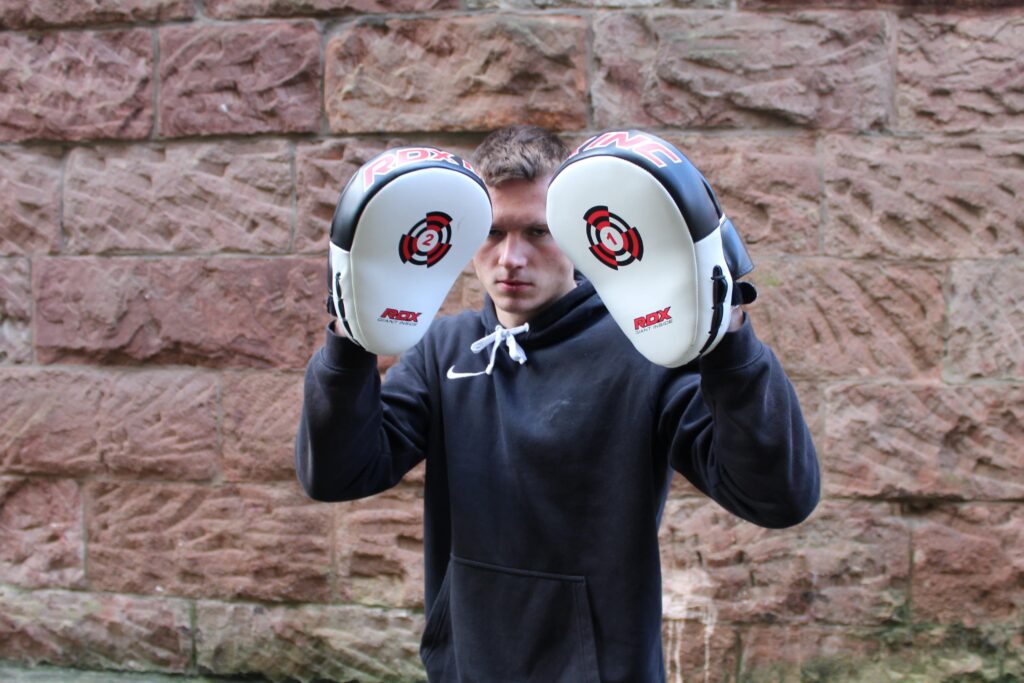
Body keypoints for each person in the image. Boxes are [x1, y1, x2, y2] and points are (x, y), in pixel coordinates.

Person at [295, 125, 820, 682]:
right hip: (468, 668)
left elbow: (780, 497)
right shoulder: (444, 350)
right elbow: (336, 475)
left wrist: (728, 334)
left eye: (538, 232)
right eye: (492, 233)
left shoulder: (645, 352)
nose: (510, 259)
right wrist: (349, 337)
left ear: (577, 231)